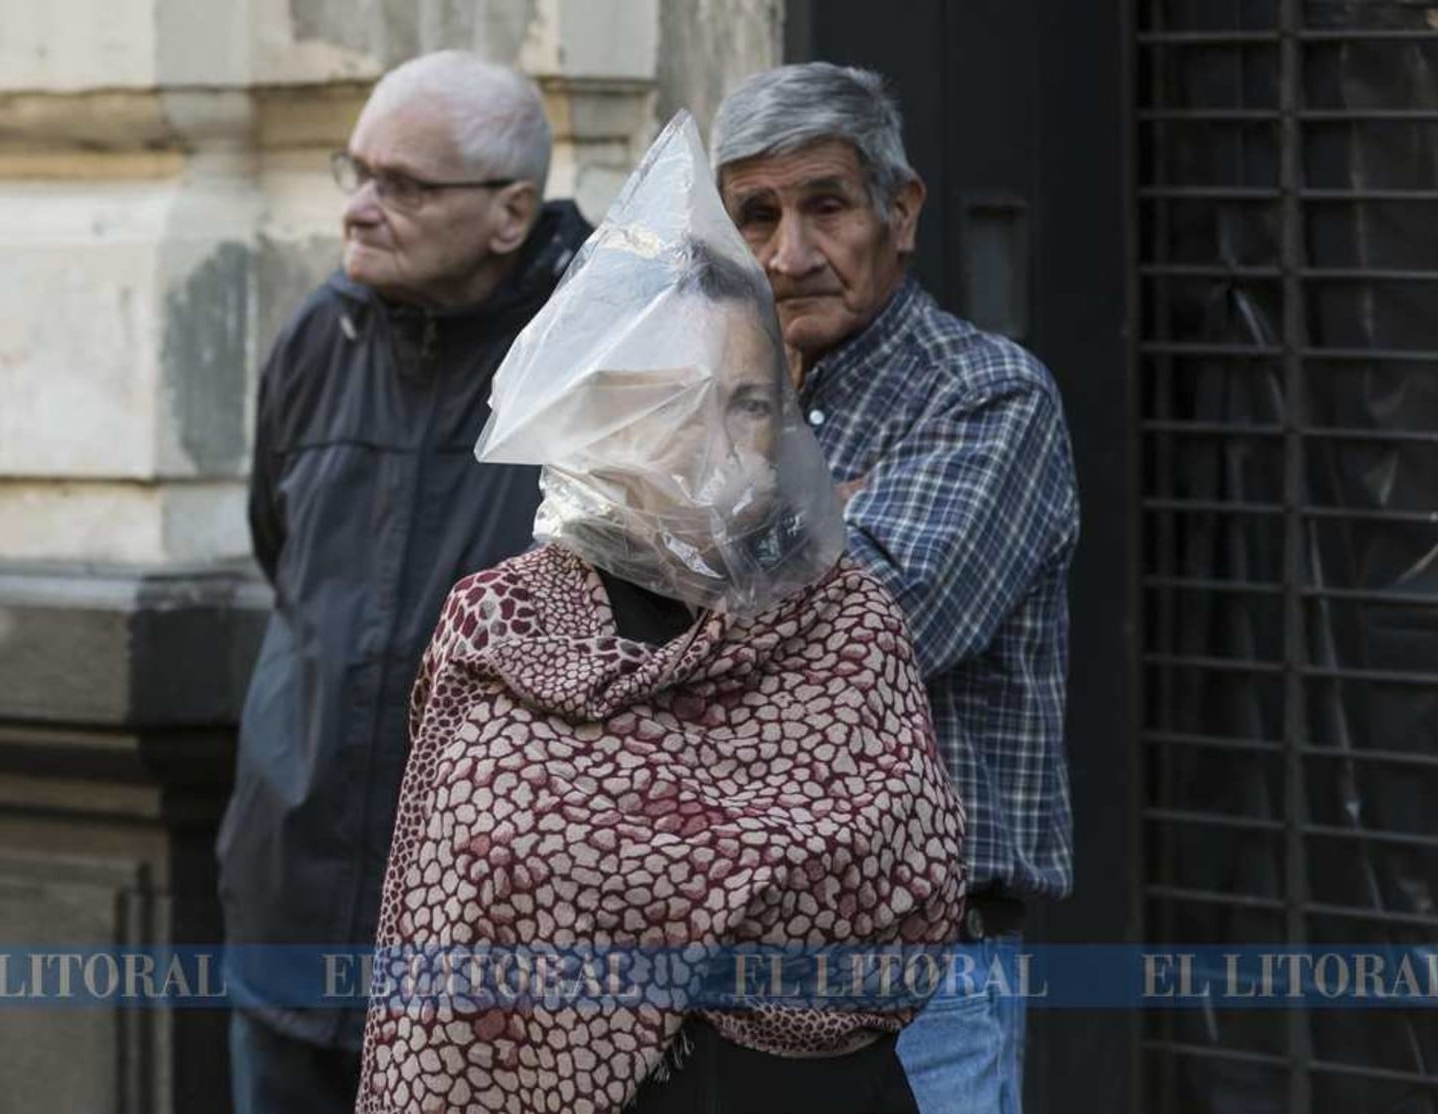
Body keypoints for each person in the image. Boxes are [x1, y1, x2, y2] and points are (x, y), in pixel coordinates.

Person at [356, 113, 968, 1114]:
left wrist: (647, 891)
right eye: (671, 404)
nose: (716, 443)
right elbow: (458, 935)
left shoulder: (845, 619)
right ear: (597, 417)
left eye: (747, 404)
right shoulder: (509, 625)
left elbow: (907, 890)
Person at [215, 51, 591, 1114]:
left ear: (510, 212)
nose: (359, 208)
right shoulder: (315, 339)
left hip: (502, 956)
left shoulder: (603, 363)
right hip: (291, 909)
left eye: (405, 185)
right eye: (357, 170)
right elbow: (276, 548)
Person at [710, 63, 1080, 1114]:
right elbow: (597, 616)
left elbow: (860, 637)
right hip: (713, 969)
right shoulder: (709, 406)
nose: (788, 254)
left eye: (824, 205)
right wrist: (811, 524)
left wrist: (711, 538)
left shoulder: (984, 397)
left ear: (898, 209)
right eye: (755, 216)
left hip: (912, 974)